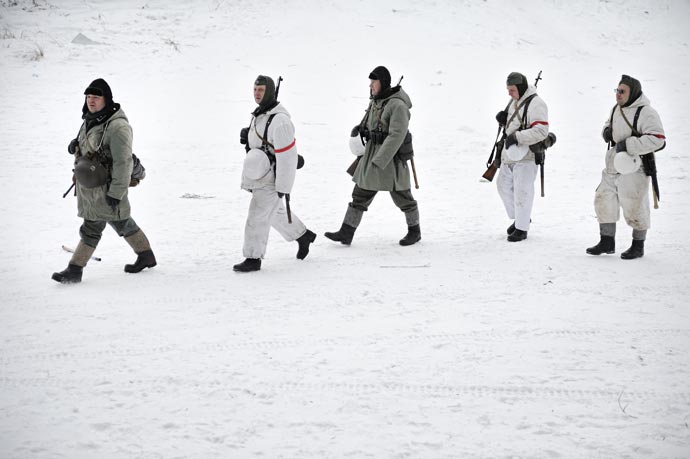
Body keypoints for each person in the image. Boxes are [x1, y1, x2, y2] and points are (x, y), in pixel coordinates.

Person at [52, 78, 156, 283]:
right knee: (121, 221)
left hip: (106, 188)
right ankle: (146, 255)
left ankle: (75, 269)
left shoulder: (118, 127)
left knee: (91, 228)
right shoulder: (92, 119)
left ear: (106, 99)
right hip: (92, 186)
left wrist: (116, 193)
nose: (91, 101)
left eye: (96, 97)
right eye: (88, 96)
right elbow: (93, 146)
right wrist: (77, 146)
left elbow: (123, 162)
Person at [325, 66, 420, 246]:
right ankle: (346, 232)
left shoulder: (397, 105)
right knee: (360, 193)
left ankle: (414, 231)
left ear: (382, 83)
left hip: (390, 159)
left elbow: (397, 134)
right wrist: (361, 130)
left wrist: (380, 159)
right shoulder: (376, 101)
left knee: (403, 196)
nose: (370, 85)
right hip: (371, 154)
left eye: (373, 82)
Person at [234, 75, 316, 272]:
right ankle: (303, 236)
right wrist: (248, 137)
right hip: (260, 176)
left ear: (270, 91)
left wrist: (283, 188)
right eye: (255, 90)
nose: (257, 94)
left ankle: (253, 258)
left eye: (261, 90)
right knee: (276, 214)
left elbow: (287, 158)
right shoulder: (259, 115)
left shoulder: (280, 121)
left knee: (257, 217)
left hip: (271, 179)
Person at [586, 74, 666, 259]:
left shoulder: (646, 112)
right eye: (617, 90)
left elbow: (658, 139)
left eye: (622, 91)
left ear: (633, 93)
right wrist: (606, 131)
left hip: (635, 166)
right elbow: (610, 123)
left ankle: (638, 246)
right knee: (603, 199)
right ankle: (607, 241)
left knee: (635, 204)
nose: (618, 95)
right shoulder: (617, 108)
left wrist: (628, 144)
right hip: (613, 164)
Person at [494, 72, 550, 242]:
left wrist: (517, 137)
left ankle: (522, 227)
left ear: (520, 87)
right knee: (502, 186)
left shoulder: (537, 104)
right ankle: (521, 217)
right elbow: (514, 123)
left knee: (522, 191)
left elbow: (541, 131)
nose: (509, 93)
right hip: (510, 153)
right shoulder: (514, 101)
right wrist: (503, 121)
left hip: (527, 155)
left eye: (511, 90)